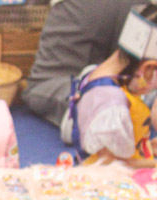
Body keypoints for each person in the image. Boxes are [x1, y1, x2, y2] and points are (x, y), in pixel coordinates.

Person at [23, 0, 140, 132]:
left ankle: (96, 108)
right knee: (138, 81)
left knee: (42, 85)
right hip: (142, 5)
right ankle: (136, 107)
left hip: (83, 7)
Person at [68, 4, 157, 164]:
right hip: (109, 177)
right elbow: (111, 168)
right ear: (148, 68)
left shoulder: (98, 73)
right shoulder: (111, 104)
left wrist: (144, 147)